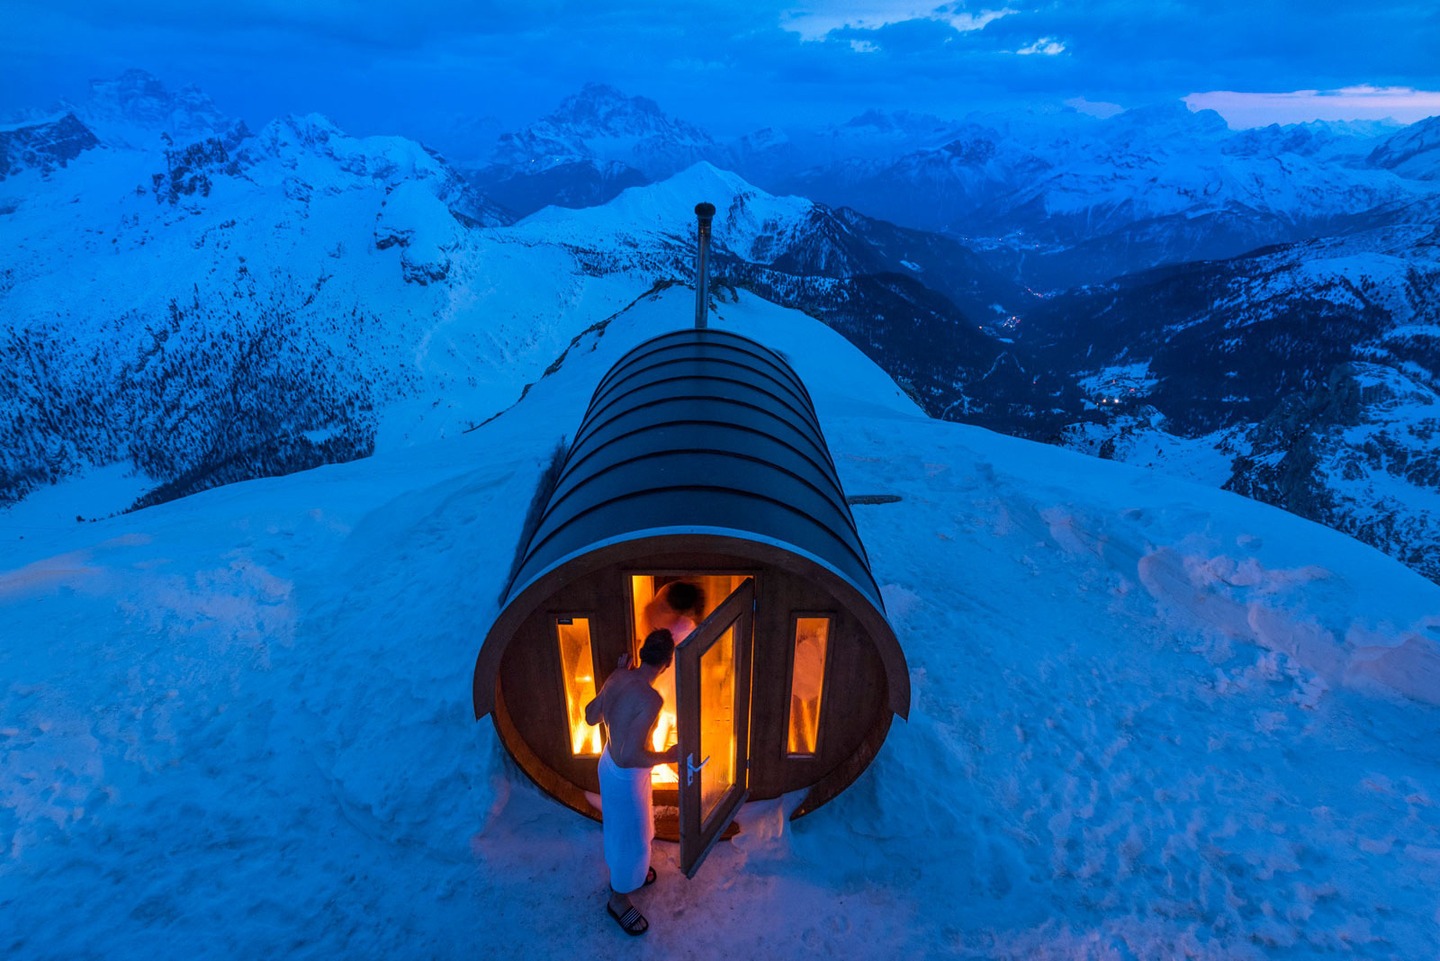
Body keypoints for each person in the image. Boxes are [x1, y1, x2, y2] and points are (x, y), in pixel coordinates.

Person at [584, 629, 679, 936]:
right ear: (667, 664)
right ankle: (619, 898)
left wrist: (611, 681)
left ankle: (633, 874)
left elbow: (590, 716)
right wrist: (668, 756)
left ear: (641, 652)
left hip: (608, 766)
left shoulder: (617, 677)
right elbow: (630, 756)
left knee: (629, 828)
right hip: (624, 775)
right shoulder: (651, 700)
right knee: (631, 839)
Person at [643, 582, 703, 755]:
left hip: (669, 661)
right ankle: (666, 755)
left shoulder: (670, 601)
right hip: (665, 661)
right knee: (666, 709)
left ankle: (675, 754)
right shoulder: (666, 613)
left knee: (669, 711)